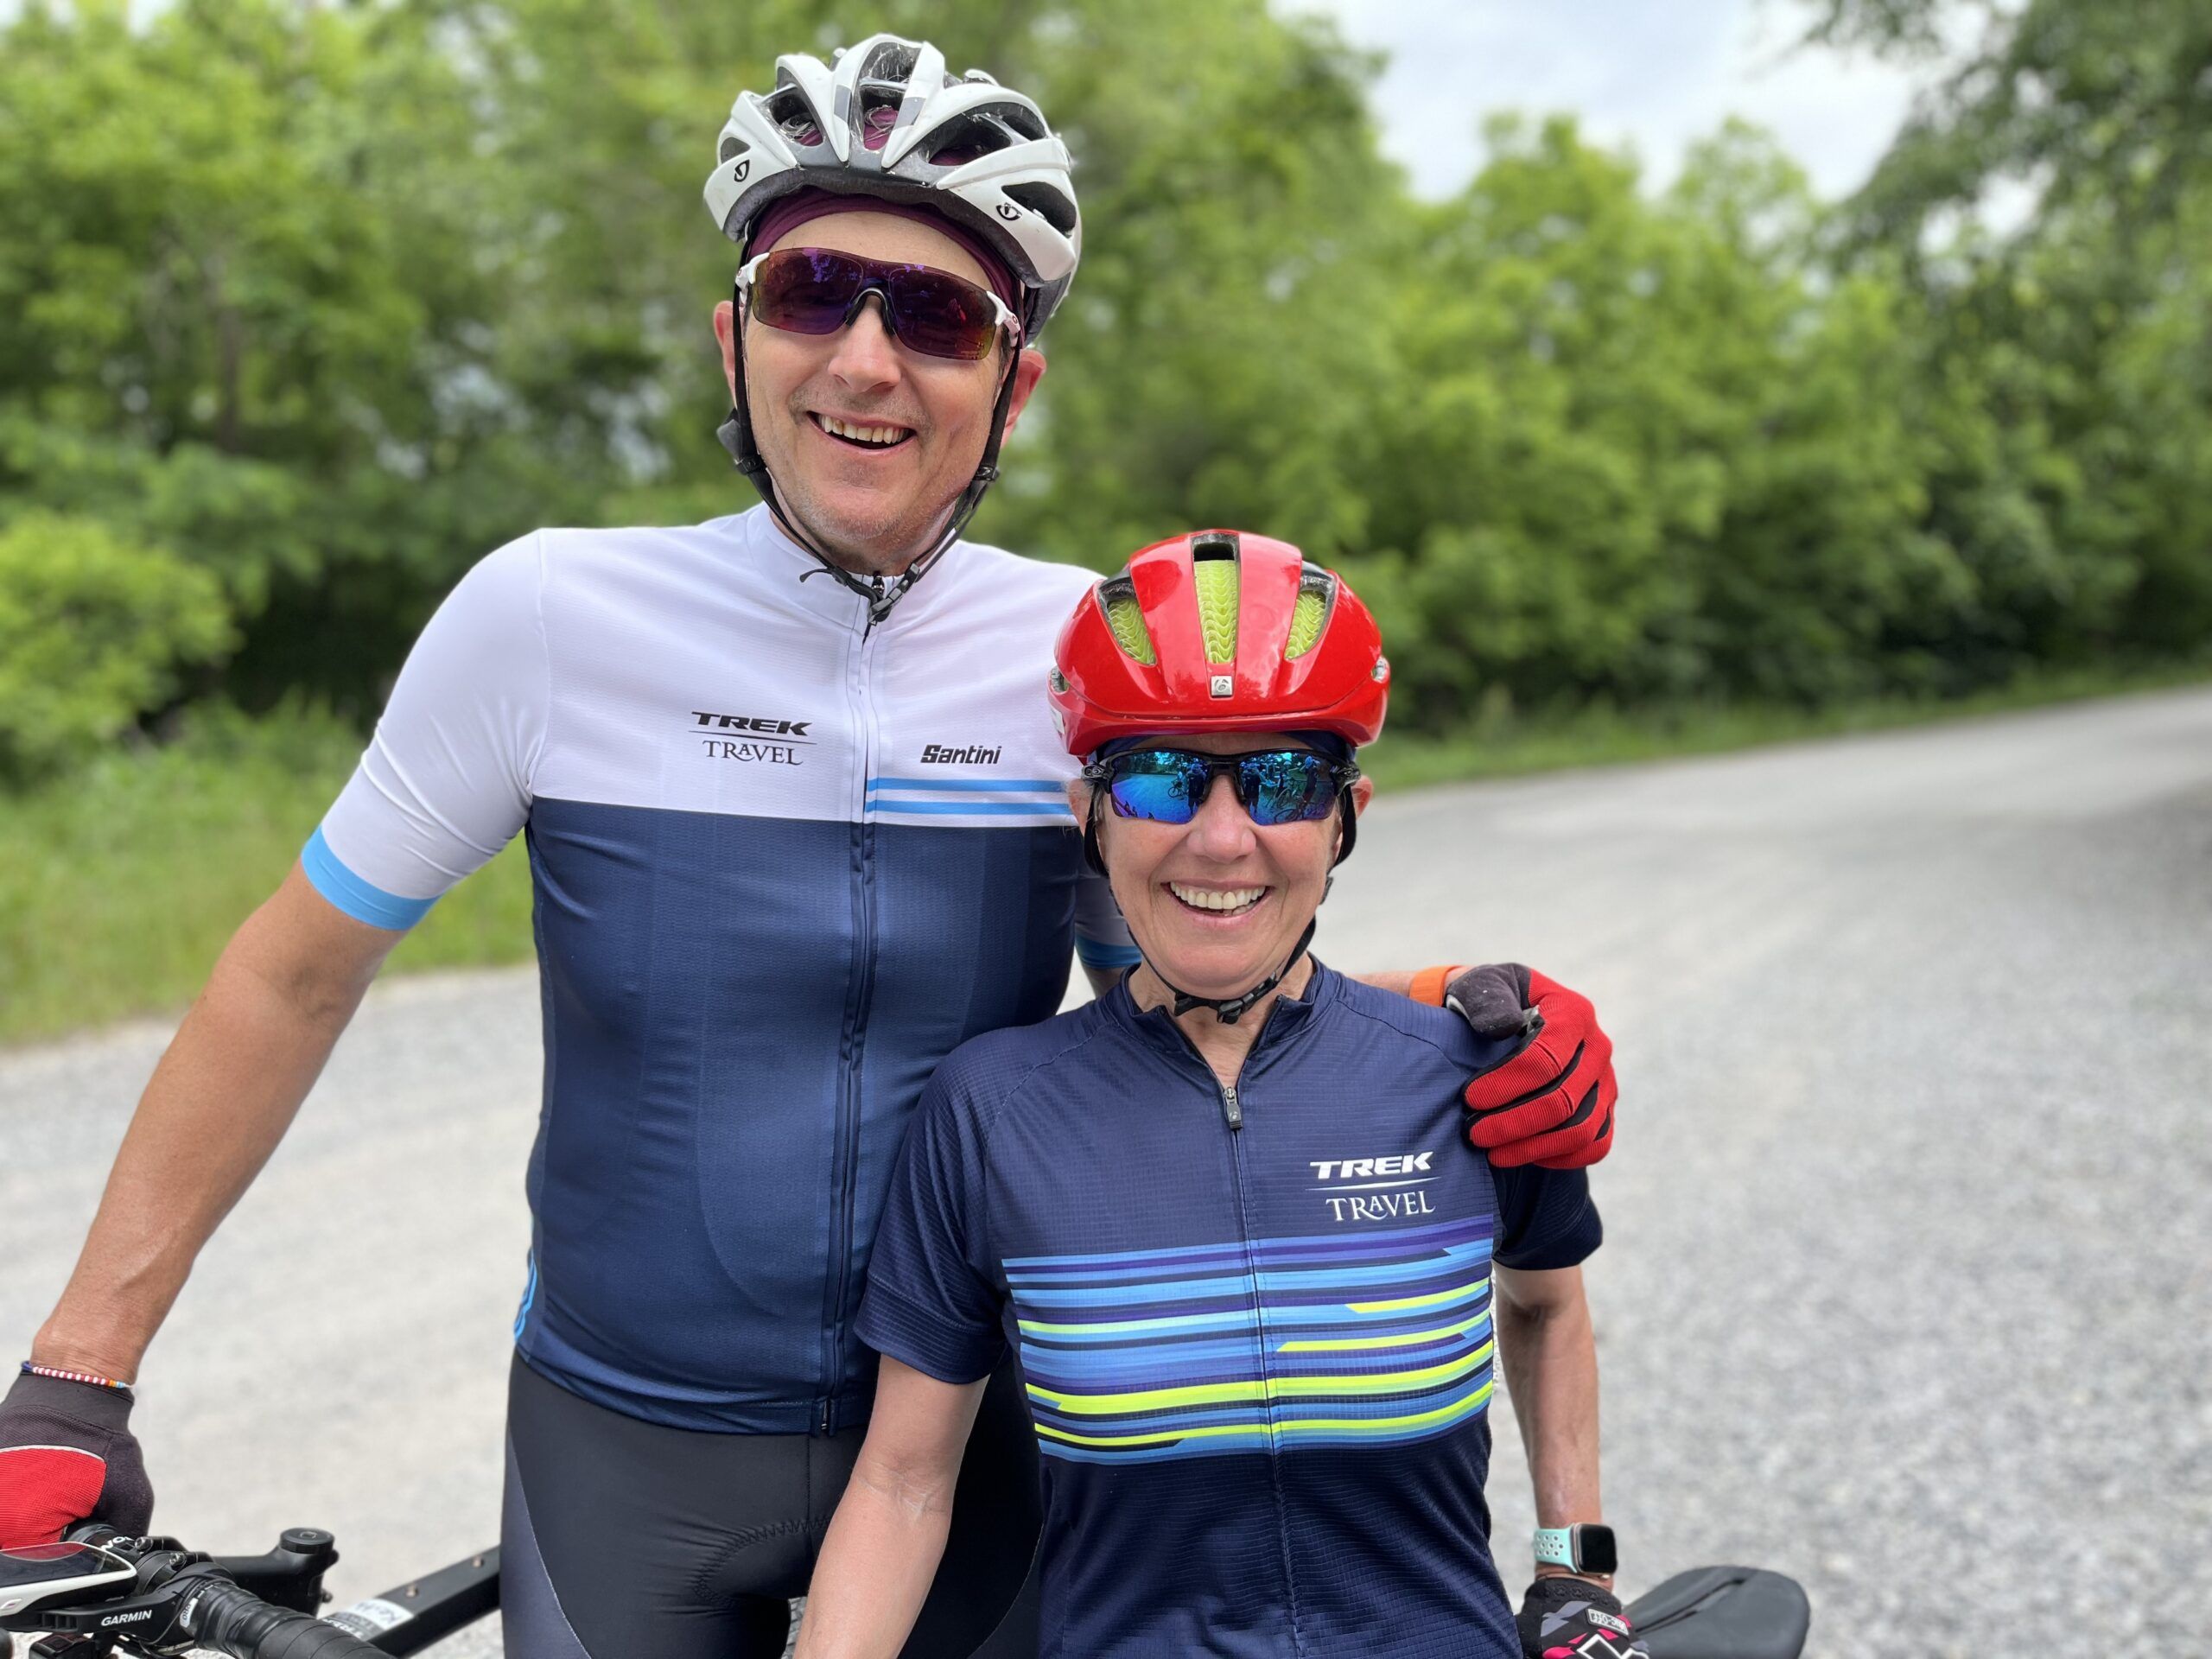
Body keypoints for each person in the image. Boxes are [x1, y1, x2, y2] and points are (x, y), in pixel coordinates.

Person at [0, 35, 1618, 1659]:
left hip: (975, 1441)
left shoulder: (1080, 649)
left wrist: (1467, 1013)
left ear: (1014, 382)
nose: (864, 359)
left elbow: (1196, 973)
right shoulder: (550, 617)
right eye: (812, 292)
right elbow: (293, 978)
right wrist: (76, 1373)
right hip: (620, 1446)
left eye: (934, 317)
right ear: (734, 338)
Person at [792, 531, 1642, 1659]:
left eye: (1284, 779)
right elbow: (903, 1484)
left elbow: (1547, 1303)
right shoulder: (991, 1112)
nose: (1225, 837)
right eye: (1161, 776)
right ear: (1089, 816)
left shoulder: (1472, 1075)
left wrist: (1575, 1567)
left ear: (1347, 817)